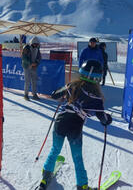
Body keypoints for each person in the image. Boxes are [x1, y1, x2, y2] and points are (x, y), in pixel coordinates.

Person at [37, 60, 112, 190]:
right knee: (77, 158)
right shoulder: (96, 98)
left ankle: (45, 177)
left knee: (55, 150)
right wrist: (108, 119)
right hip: (75, 129)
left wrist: (64, 93)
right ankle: (82, 186)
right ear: (98, 78)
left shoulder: (72, 86)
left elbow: (54, 95)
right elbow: (103, 119)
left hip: (60, 123)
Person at [21, 36, 42, 101]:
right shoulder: (26, 48)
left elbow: (39, 58)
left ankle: (34, 94)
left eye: (37, 44)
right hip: (27, 66)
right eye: (34, 44)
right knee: (27, 81)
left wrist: (36, 63)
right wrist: (30, 63)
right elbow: (24, 58)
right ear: (32, 43)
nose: (36, 45)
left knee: (34, 81)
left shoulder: (37, 49)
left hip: (34, 67)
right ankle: (26, 95)